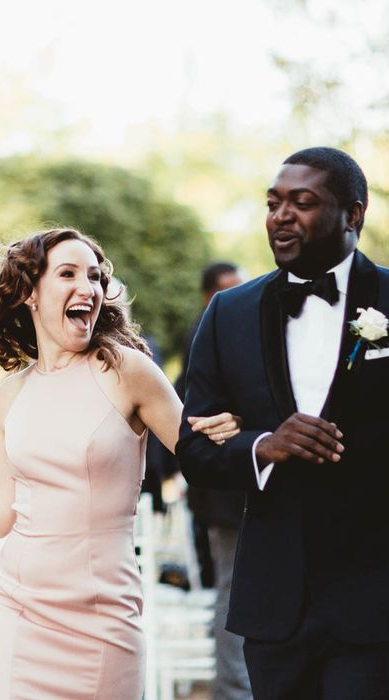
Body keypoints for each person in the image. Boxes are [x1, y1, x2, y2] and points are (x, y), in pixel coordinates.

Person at [0, 228, 238, 699]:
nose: (88, 288)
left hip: (102, 620)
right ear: (32, 293)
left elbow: (205, 455)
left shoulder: (126, 370)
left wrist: (244, 427)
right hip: (15, 612)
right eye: (69, 273)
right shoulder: (11, 393)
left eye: (95, 277)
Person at [177, 147, 389, 699]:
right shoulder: (229, 314)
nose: (281, 216)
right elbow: (193, 452)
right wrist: (264, 446)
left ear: (353, 214)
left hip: (376, 599)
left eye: (302, 202)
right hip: (276, 603)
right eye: (273, 203)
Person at [178, 262, 251, 700]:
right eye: (229, 290)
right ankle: (233, 689)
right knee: (231, 592)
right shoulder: (205, 334)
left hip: (244, 487)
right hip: (222, 492)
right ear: (210, 296)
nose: (239, 296)